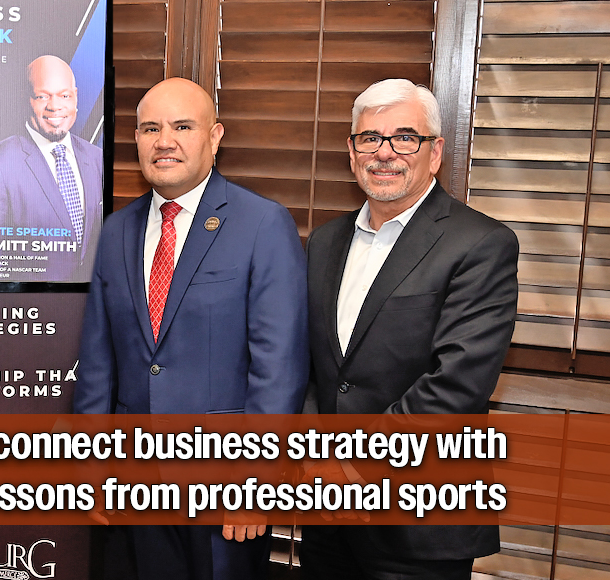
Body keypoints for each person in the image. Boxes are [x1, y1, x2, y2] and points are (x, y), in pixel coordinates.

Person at [74, 77, 308, 580]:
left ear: (215, 135)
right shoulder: (116, 230)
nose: (164, 141)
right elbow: (97, 361)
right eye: (150, 128)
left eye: (182, 126)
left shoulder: (263, 224)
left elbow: (278, 368)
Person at [302, 78, 519, 579]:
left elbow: (458, 385)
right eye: (369, 138)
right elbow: (316, 367)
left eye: (404, 137)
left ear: (435, 151)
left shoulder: (480, 244)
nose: (385, 153)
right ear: (352, 151)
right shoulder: (325, 242)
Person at [0, 55, 104, 281]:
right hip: (28, 310)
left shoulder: (97, 159)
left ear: (75, 97)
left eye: (64, 95)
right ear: (26, 99)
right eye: (42, 96)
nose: (55, 106)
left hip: (88, 308)